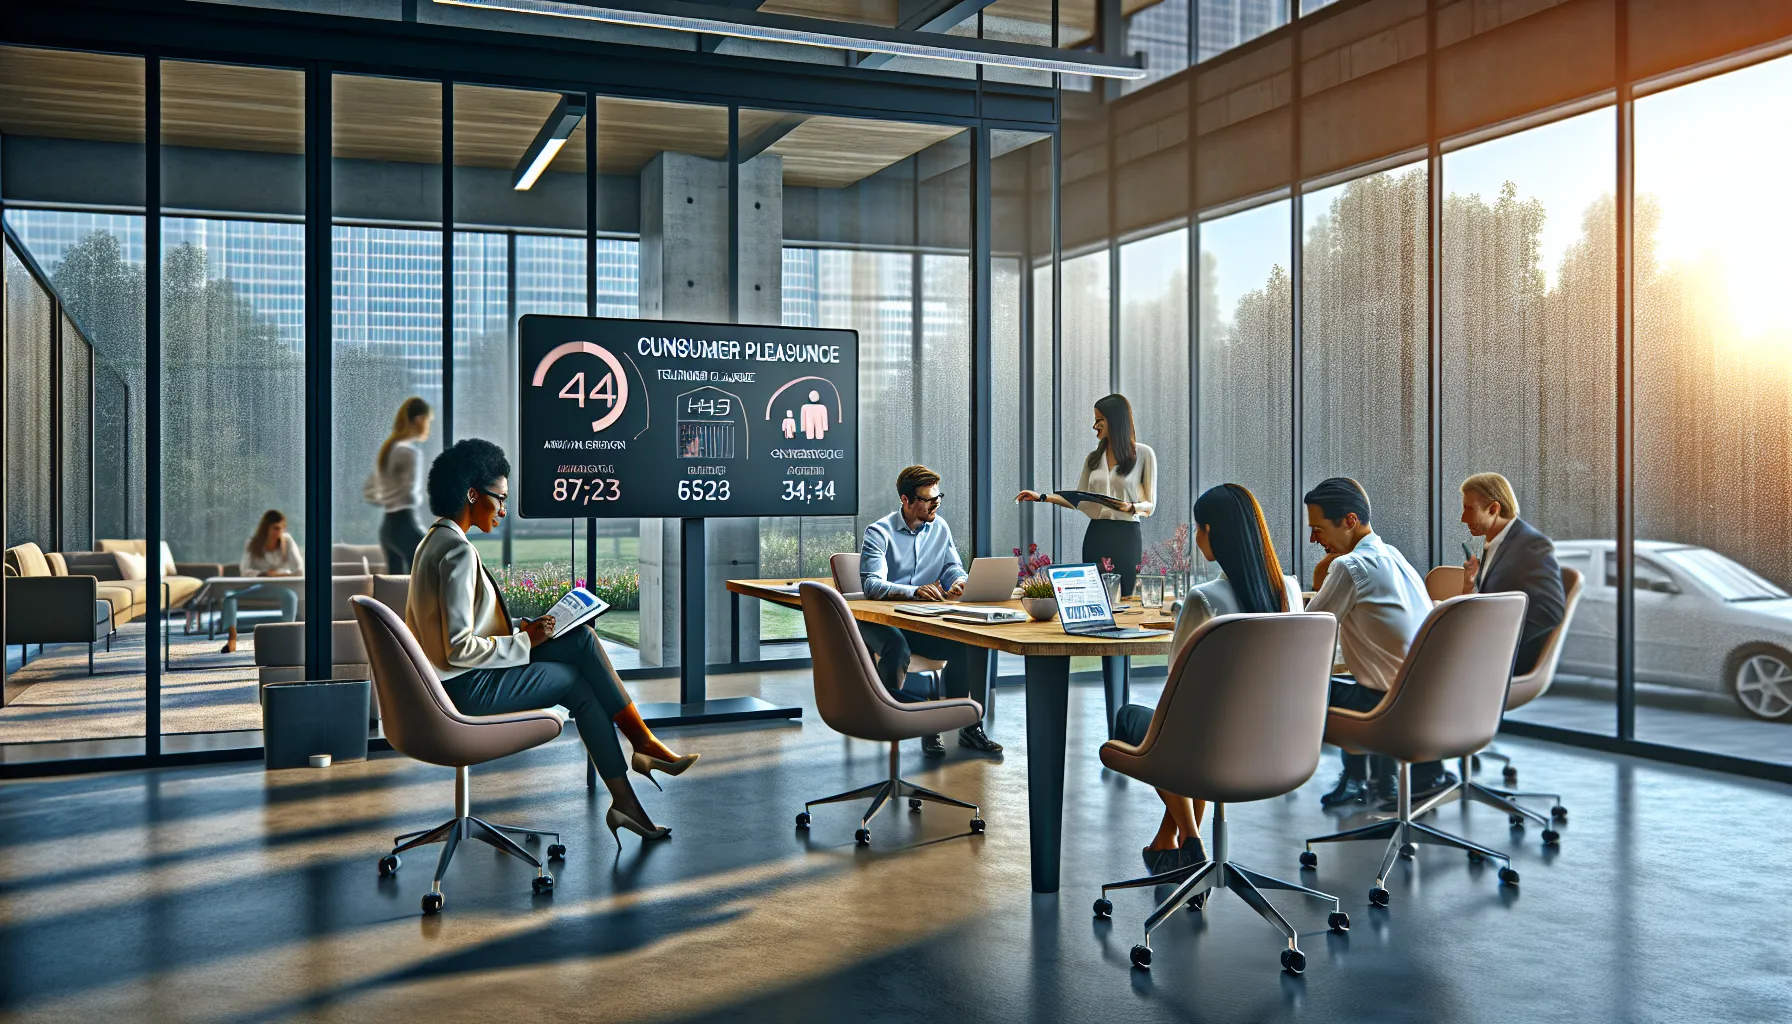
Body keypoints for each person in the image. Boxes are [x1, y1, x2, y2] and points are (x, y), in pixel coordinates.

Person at [406, 438, 697, 845]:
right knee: (579, 681)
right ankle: (640, 755)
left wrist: (522, 631)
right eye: (500, 499)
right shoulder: (457, 553)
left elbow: (449, 636)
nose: (504, 510)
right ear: (472, 493)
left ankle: (635, 772)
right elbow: (457, 648)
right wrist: (525, 640)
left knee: (579, 638)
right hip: (463, 689)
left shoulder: (432, 542)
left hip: (450, 682)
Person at [1112, 483, 1302, 874]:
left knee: (1133, 719)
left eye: (1199, 528)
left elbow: (1177, 684)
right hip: (1278, 747)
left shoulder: (1205, 599)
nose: (1196, 538)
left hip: (1209, 753)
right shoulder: (1291, 592)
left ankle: (1191, 838)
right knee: (1197, 732)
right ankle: (1168, 842)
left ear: (1213, 531)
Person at [1302, 477, 1447, 808]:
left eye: (1319, 528)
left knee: (1300, 683)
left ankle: (1268, 770)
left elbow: (1305, 633)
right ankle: (1372, 779)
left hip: (1389, 707)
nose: (1313, 538)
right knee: (1360, 678)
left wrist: (1318, 576)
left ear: (1349, 521)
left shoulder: (1350, 565)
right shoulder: (1392, 555)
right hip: (1429, 699)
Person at [858, 464, 1003, 757]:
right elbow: (872, 584)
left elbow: (951, 566)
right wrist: (914, 591)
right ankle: (896, 720)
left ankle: (965, 724)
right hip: (883, 620)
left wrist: (959, 581)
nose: (935, 504)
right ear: (906, 500)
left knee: (966, 643)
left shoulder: (941, 527)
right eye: (927, 499)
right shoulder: (879, 532)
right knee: (896, 649)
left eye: (938, 497)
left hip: (921, 621)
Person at [1016, 393, 1156, 597]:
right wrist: (1042, 497)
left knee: (1124, 595)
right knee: (1094, 594)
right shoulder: (1093, 458)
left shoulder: (1143, 454)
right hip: (1097, 534)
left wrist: (1131, 507)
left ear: (1115, 420)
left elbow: (1150, 504)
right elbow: (1078, 499)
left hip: (1126, 536)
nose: (1095, 426)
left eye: (1100, 420)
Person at [1454, 473, 1565, 675]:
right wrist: (1469, 586)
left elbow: (1551, 611)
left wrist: (1496, 645)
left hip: (1507, 659)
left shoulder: (1531, 545)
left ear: (1494, 509)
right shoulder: (1495, 542)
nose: (1463, 518)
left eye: (1469, 509)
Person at [218, 509, 303, 654]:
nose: (280, 532)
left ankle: (285, 636)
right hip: (257, 586)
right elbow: (245, 571)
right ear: (266, 528)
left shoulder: (287, 541)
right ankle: (232, 638)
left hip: (279, 587)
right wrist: (264, 573)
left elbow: (299, 569)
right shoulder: (253, 543)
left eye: (282, 528)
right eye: (276, 528)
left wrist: (278, 575)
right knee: (229, 597)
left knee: (291, 597)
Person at [364, 396, 432, 574]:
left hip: (388, 527)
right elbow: (409, 493)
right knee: (425, 572)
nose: (428, 426)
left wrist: (388, 496)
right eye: (427, 420)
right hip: (405, 523)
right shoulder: (409, 451)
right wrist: (423, 495)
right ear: (419, 420)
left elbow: (370, 489)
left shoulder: (390, 448)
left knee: (395, 586)